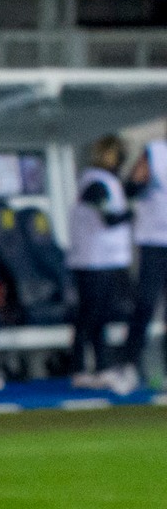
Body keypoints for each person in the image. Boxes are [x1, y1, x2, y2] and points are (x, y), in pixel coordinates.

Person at [67, 135, 134, 388]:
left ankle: (101, 366)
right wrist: (131, 213)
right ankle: (78, 368)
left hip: (104, 261)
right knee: (88, 317)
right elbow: (108, 218)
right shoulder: (95, 183)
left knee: (100, 318)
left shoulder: (109, 182)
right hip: (91, 261)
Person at [115, 132, 166, 395]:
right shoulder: (155, 152)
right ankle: (128, 366)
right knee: (145, 304)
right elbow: (130, 187)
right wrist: (141, 180)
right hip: (155, 242)